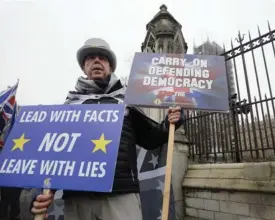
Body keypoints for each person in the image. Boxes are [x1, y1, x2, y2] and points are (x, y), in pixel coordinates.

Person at [30, 38, 184, 220]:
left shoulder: (126, 101)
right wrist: (44, 191)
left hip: (121, 195)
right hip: (78, 196)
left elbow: (150, 139)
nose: (96, 61)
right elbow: (56, 153)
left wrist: (170, 123)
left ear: (110, 67)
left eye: (102, 58)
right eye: (90, 58)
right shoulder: (69, 105)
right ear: (83, 67)